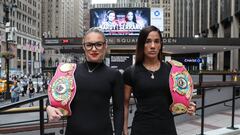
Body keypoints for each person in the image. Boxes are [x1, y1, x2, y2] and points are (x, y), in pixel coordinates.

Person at [46, 27, 124, 135]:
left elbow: (118, 109)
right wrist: (49, 107)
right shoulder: (70, 72)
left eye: (98, 44)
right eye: (89, 45)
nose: (94, 49)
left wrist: (119, 133)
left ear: (105, 46)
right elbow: (54, 96)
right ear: (84, 47)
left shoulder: (114, 75)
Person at [123, 26, 196, 135]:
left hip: (167, 128)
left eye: (156, 41)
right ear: (141, 44)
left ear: (161, 44)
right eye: (148, 41)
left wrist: (189, 105)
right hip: (141, 129)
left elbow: (180, 96)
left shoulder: (172, 70)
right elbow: (125, 103)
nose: (152, 46)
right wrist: (124, 129)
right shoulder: (130, 72)